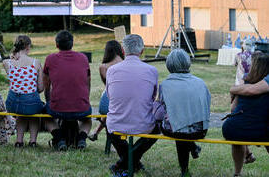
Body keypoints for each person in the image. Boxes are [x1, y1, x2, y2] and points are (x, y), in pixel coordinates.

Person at [106, 34, 159, 176]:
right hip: (144, 123)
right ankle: (132, 161)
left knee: (109, 124)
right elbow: (153, 98)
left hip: (116, 123)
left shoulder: (111, 71)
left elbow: (110, 96)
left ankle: (125, 162)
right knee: (157, 129)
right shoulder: (152, 71)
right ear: (142, 51)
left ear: (123, 51)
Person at [153, 49, 211, 177]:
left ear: (169, 65)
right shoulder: (201, 83)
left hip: (176, 130)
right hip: (201, 130)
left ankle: (184, 170)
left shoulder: (165, 86)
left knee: (178, 127)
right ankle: (193, 149)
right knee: (182, 125)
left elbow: (158, 114)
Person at [43, 30, 92, 150]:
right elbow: (88, 82)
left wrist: (49, 101)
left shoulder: (50, 59)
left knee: (45, 116)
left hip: (57, 107)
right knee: (87, 119)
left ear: (57, 45)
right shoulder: (83, 58)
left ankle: (59, 139)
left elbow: (46, 86)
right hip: (82, 107)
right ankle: (81, 138)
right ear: (72, 44)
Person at [222, 52, 269, 177]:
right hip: (261, 131)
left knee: (237, 135)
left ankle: (237, 173)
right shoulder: (265, 85)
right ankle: (248, 154)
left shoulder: (245, 82)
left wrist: (233, 91)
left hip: (234, 129)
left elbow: (233, 109)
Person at [3, 35, 44, 147]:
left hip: (13, 104)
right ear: (28, 47)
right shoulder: (36, 62)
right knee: (33, 113)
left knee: (21, 111)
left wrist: (13, 56)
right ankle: (33, 141)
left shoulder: (7, 63)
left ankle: (19, 141)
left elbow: (16, 82)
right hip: (31, 103)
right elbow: (40, 88)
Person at [88, 40, 124, 141]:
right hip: (124, 101)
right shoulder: (127, 64)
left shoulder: (103, 67)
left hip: (107, 101)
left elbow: (107, 86)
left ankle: (96, 131)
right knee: (116, 110)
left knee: (110, 110)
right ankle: (99, 133)